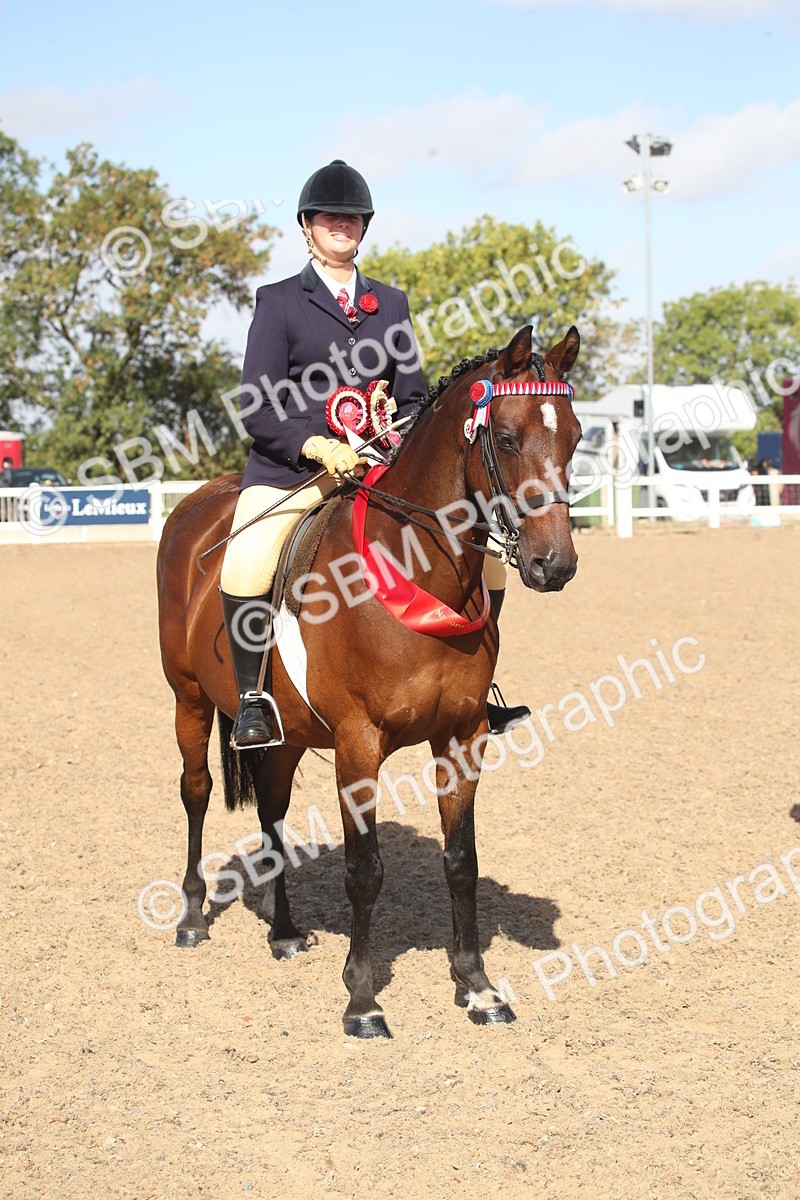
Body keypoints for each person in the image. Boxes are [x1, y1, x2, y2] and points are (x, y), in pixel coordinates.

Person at [220, 159, 528, 749]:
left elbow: (416, 398)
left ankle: (478, 688)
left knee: (484, 557)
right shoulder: (279, 301)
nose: (343, 225)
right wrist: (313, 443)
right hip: (294, 469)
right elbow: (256, 404)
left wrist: (393, 430)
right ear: (308, 226)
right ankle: (253, 698)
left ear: (364, 228)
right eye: (331, 218)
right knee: (247, 559)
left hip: (378, 468)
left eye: (353, 218)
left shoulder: (390, 304)